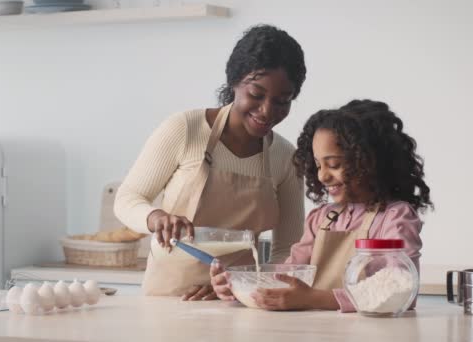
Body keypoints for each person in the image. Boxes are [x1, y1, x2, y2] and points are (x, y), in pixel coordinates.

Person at [114, 24, 307, 300]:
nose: (267, 111)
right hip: (168, 298)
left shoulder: (285, 158)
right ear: (235, 81)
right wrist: (155, 217)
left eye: (282, 101)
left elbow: (287, 250)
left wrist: (241, 285)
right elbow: (127, 198)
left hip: (238, 303)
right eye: (256, 94)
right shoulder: (185, 129)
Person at [211, 99, 433, 311]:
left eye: (334, 164)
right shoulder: (321, 219)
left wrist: (313, 299)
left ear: (369, 160)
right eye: (318, 165)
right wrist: (238, 283)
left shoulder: (394, 217)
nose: (323, 176)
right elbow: (288, 275)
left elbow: (401, 290)